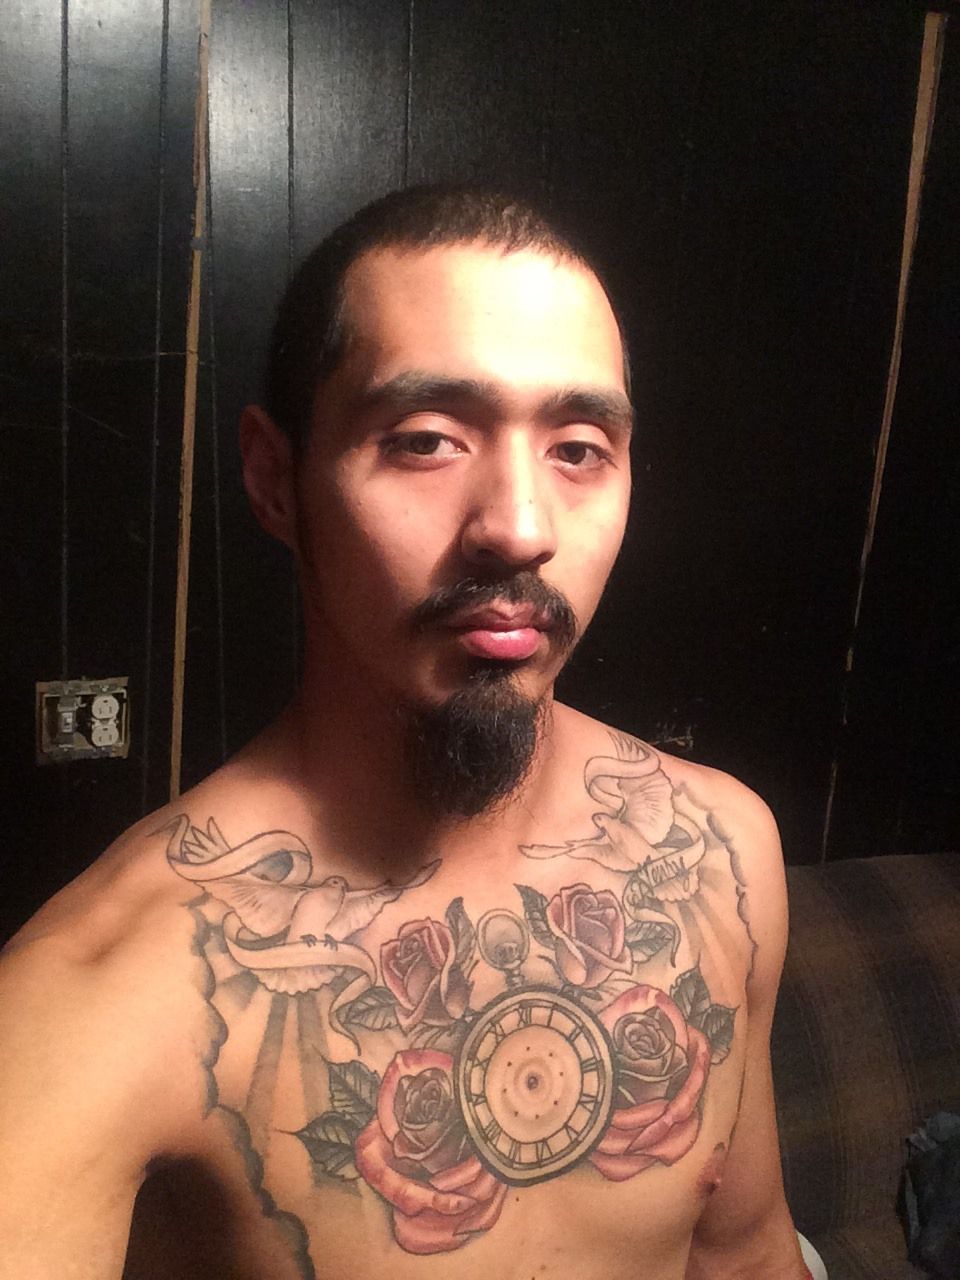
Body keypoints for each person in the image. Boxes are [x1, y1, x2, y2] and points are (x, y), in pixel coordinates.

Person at [0, 186, 815, 1279]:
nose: (520, 528)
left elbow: (748, 1254)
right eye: (427, 440)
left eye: (580, 448)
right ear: (275, 479)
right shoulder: (98, 1002)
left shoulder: (720, 849)